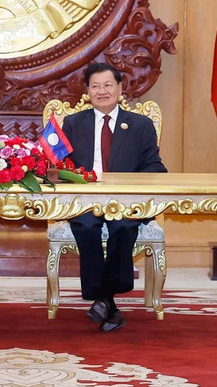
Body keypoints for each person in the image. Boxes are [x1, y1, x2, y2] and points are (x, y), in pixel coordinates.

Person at [63, 62, 167, 332]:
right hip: (85, 200)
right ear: (87, 91)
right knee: (86, 227)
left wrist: (132, 189)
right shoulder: (73, 124)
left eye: (108, 85)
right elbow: (59, 165)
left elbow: (154, 166)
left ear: (120, 88)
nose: (102, 91)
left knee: (122, 227)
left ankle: (103, 297)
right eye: (95, 86)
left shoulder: (140, 125)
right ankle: (109, 301)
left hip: (126, 201)